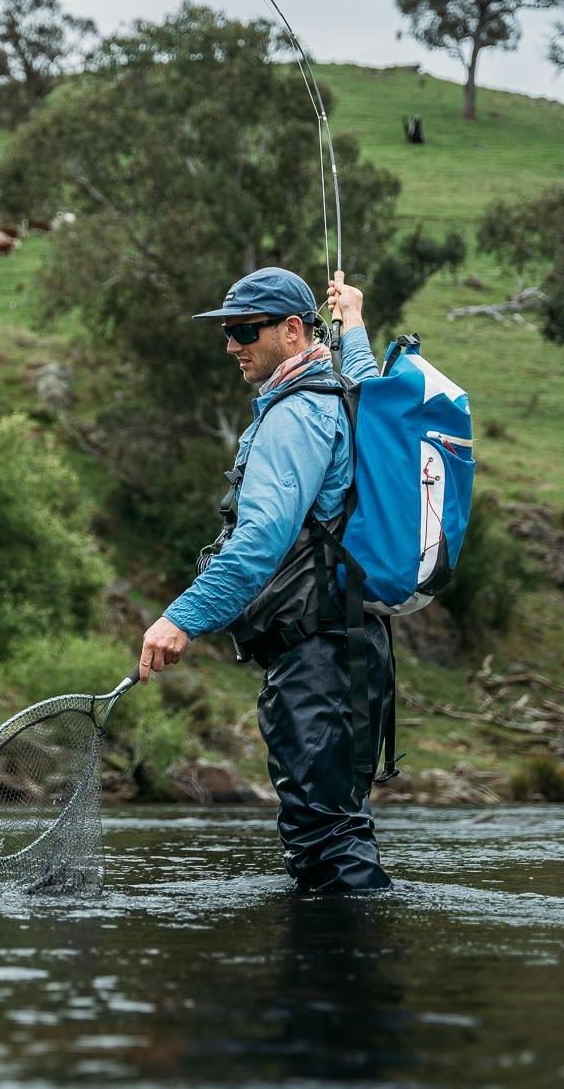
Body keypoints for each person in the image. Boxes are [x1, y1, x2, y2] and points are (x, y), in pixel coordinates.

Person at [135, 265, 393, 892]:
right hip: (357, 650)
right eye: (227, 331)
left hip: (319, 660)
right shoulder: (341, 387)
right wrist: (354, 320)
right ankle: (350, 973)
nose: (232, 345)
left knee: (322, 838)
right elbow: (362, 376)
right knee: (338, 828)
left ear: (293, 331)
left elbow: (258, 544)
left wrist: (181, 619)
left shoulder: (296, 414)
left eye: (246, 330)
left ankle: (330, 983)